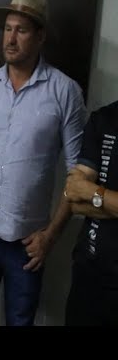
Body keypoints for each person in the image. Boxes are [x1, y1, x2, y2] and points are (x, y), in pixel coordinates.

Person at [0, 0, 87, 326]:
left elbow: (78, 176)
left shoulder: (65, 92)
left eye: (21, 30)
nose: (10, 39)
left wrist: (50, 238)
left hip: (27, 242)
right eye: (7, 29)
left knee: (20, 321)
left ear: (40, 37)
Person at [64, 101, 118, 325]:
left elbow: (83, 189)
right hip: (89, 272)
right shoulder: (103, 118)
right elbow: (74, 197)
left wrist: (92, 192)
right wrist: (106, 199)